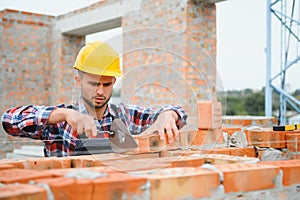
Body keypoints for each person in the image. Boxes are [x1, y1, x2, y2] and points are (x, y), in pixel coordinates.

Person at [1, 41, 188, 157]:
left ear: (114, 82)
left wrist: (169, 114)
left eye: (106, 85)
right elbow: (8, 120)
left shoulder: (125, 117)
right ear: (78, 81)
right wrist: (64, 114)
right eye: (93, 84)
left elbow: (178, 113)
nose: (100, 91)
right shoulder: (58, 123)